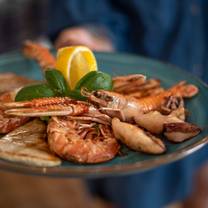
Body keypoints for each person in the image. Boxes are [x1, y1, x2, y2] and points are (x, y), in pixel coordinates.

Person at [47, 1, 208, 207]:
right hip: (134, 60)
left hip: (201, 74)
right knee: (136, 199)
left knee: (204, 192)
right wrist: (90, 32)